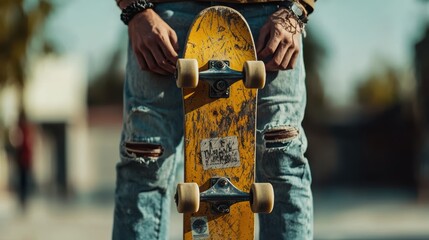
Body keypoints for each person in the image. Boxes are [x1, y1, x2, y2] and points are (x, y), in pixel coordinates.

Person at [113, 0, 316, 239]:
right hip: (163, 16)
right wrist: (136, 10)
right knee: (144, 157)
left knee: (282, 154)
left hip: (271, 16)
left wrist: (296, 10)